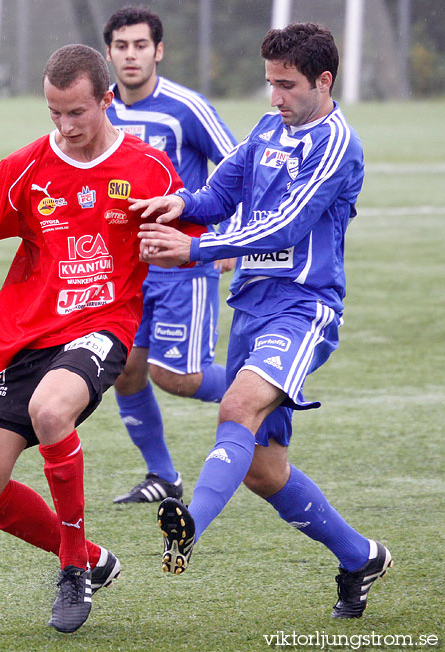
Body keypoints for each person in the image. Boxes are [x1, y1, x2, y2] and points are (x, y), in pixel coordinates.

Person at [0, 44, 185, 634]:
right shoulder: (23, 169)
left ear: (106, 100)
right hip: (23, 340)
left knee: (51, 410)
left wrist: (201, 249)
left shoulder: (149, 168)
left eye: (77, 112)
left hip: (102, 327)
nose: (65, 125)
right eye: (54, 112)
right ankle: (97, 559)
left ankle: (73, 571)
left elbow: (194, 225)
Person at [134, 23, 392, 618]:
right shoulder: (269, 127)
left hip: (303, 308)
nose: (275, 97)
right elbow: (222, 192)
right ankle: (361, 557)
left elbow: (284, 228)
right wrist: (182, 205)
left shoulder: (335, 145)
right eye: (270, 83)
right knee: (263, 470)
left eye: (288, 85)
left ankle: (189, 525)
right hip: (250, 305)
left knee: (237, 408)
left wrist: (195, 250)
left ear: (324, 82)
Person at [102, 5, 238, 505]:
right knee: (125, 368)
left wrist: (229, 236)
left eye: (141, 45)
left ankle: (266, 389)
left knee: (177, 375)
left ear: (158, 50)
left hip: (184, 260)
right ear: (110, 51)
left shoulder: (186, 107)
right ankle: (163, 476)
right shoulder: (101, 107)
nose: (131, 55)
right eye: (121, 46)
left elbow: (237, 165)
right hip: (126, 266)